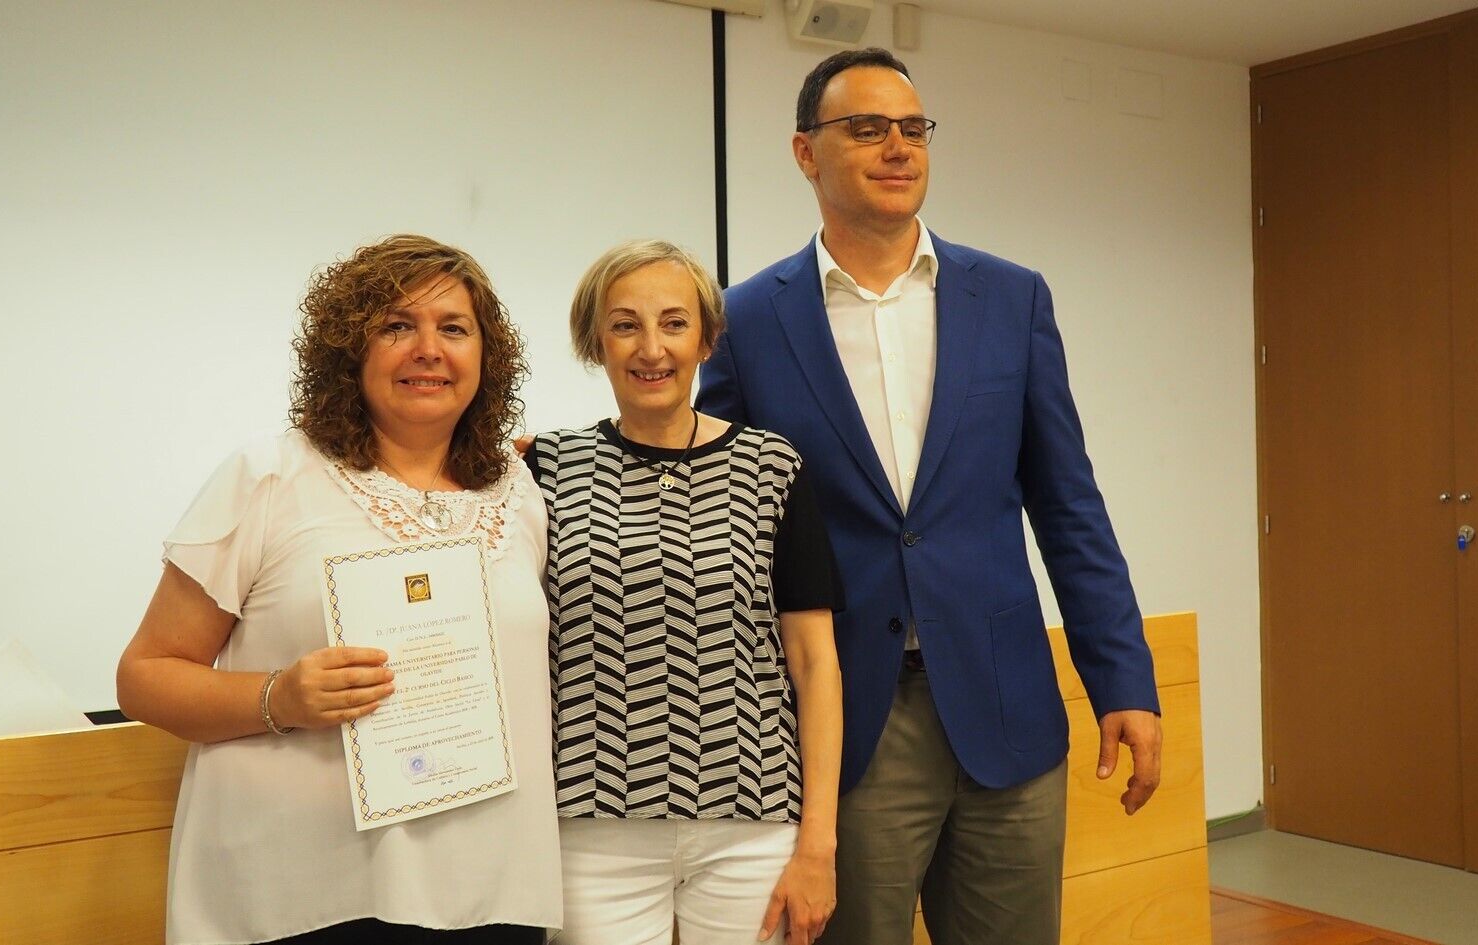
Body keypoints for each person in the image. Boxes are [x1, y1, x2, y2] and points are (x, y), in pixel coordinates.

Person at [696, 49, 1164, 945]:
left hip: (1007, 712)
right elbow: (714, 504)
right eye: (867, 128)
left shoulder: (1011, 298)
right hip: (848, 726)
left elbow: (1069, 506)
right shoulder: (747, 320)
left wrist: (1122, 680)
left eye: (913, 128)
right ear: (805, 152)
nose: (898, 147)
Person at [117, 235, 561, 945]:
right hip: (304, 896)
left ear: (487, 356)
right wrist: (280, 697)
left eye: (453, 328)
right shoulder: (270, 476)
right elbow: (144, 676)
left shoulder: (519, 491)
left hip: (489, 891)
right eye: (397, 326)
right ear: (348, 348)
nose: (428, 349)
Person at [521, 240, 843, 945]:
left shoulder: (771, 466)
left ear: (706, 340)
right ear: (595, 342)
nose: (651, 348)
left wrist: (818, 844)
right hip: (590, 829)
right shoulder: (545, 466)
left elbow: (815, 662)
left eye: (674, 323)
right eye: (624, 325)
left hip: (751, 822)